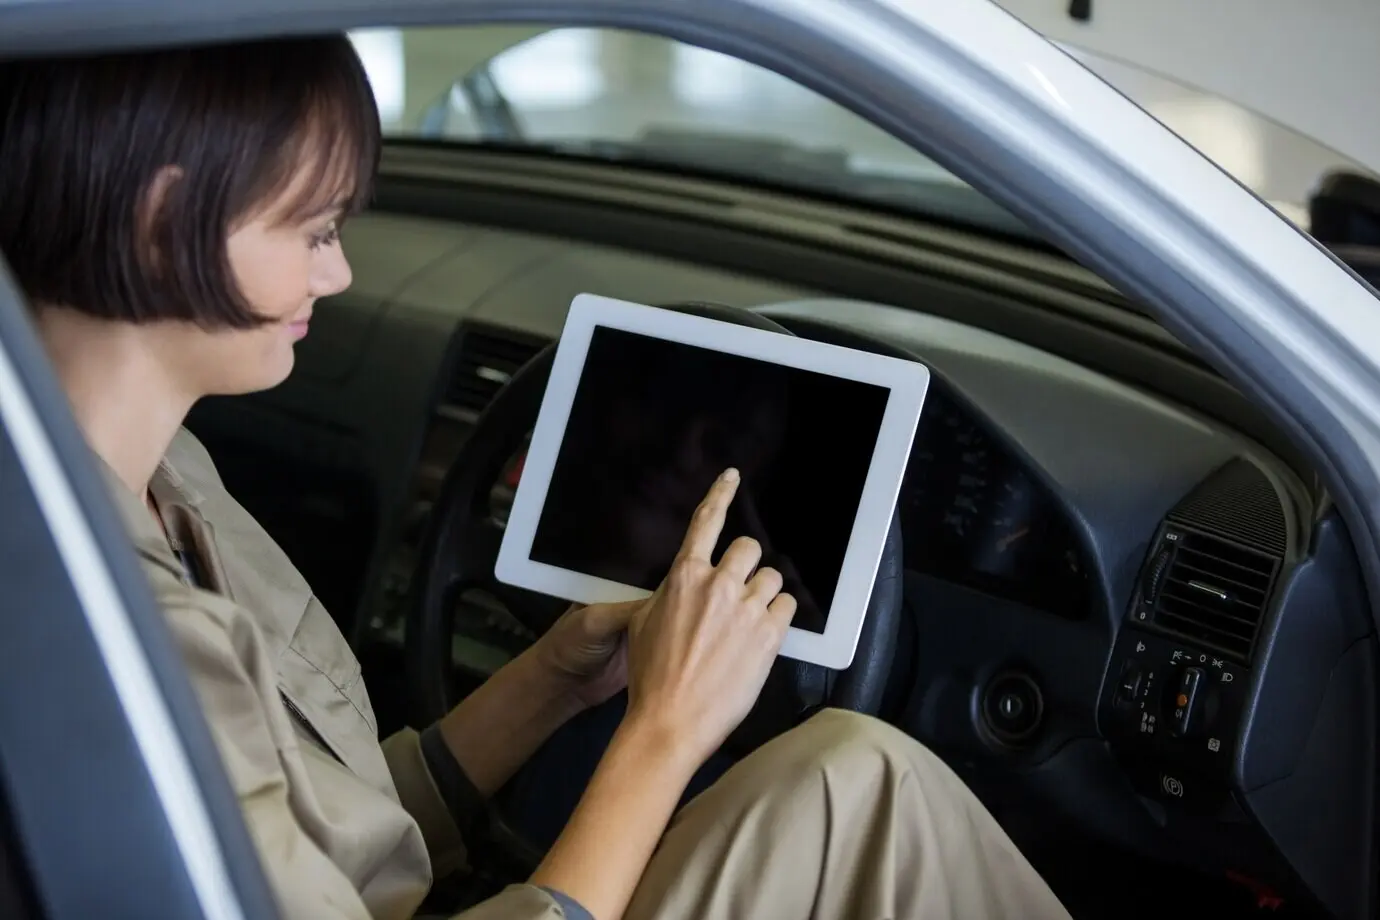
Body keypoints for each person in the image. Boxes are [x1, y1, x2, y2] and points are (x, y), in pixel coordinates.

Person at [0, 35, 1073, 920]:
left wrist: (559, 676)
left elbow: (337, 839)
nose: (339, 271)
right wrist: (667, 725)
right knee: (865, 782)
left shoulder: (163, 474)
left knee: (853, 771)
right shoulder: (110, 623)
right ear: (158, 221)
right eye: (313, 228)